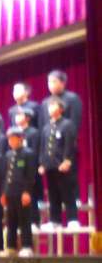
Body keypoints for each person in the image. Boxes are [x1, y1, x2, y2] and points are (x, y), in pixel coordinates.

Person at [38, 96, 79, 229]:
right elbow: (43, 148)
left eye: (53, 105)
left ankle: (73, 219)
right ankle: (55, 221)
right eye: (49, 106)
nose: (50, 108)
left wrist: (67, 160)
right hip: (50, 166)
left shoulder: (67, 124)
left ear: (61, 109)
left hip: (63, 165)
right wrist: (42, 164)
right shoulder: (46, 127)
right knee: (53, 193)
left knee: (67, 192)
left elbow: (69, 144)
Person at [1, 127, 36, 256]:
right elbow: (6, 176)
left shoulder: (28, 153)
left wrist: (27, 191)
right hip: (10, 192)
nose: (10, 141)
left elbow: (30, 175)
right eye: (9, 139)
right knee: (11, 221)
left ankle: (27, 245)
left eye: (13, 138)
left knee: (24, 220)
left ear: (21, 138)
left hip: (22, 192)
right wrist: (4, 192)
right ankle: (11, 246)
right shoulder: (8, 155)